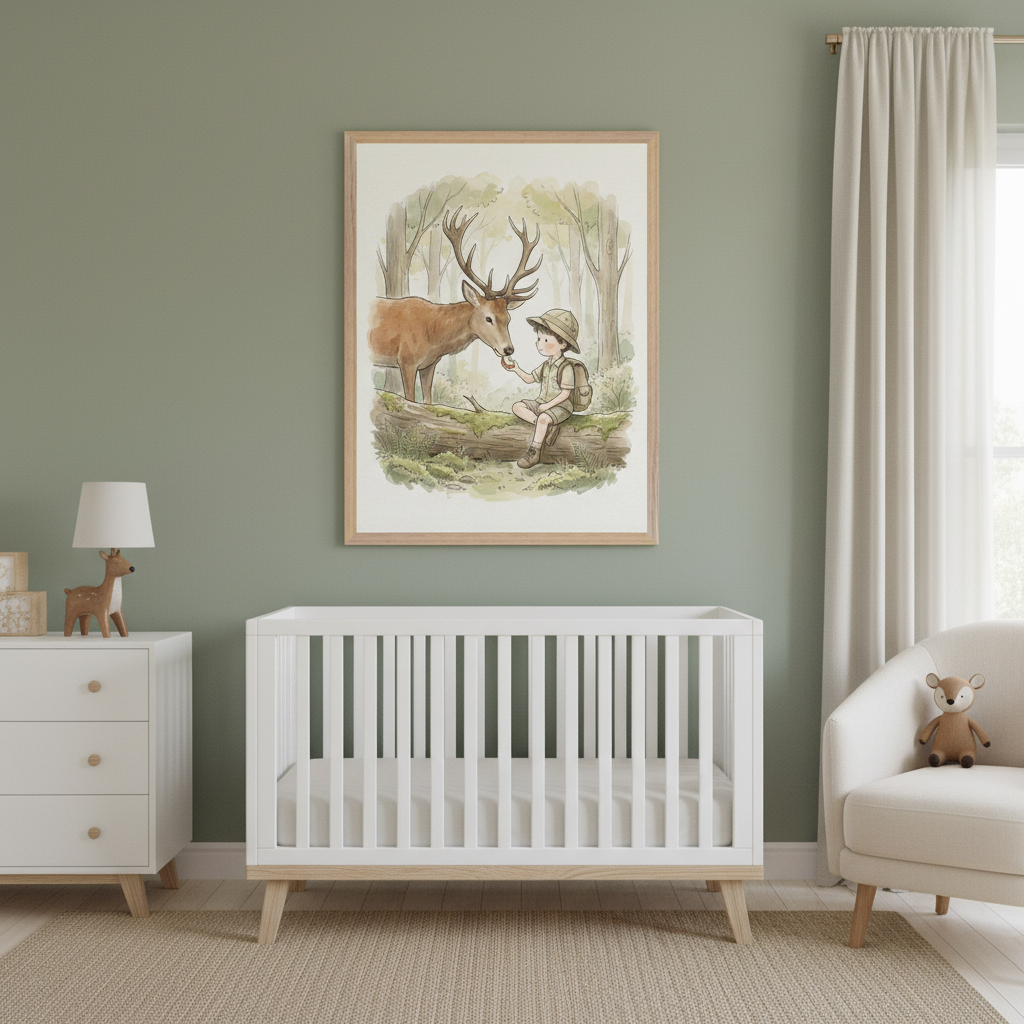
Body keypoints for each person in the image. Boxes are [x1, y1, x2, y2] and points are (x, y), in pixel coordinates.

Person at [503, 308, 582, 470]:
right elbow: (530, 379)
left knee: (544, 417)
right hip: (542, 403)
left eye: (545, 340)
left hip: (561, 406)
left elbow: (566, 393)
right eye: (539, 338)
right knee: (517, 407)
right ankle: (546, 428)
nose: (539, 343)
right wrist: (516, 369)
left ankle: (534, 452)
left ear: (562, 344)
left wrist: (547, 407)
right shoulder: (546, 365)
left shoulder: (566, 367)